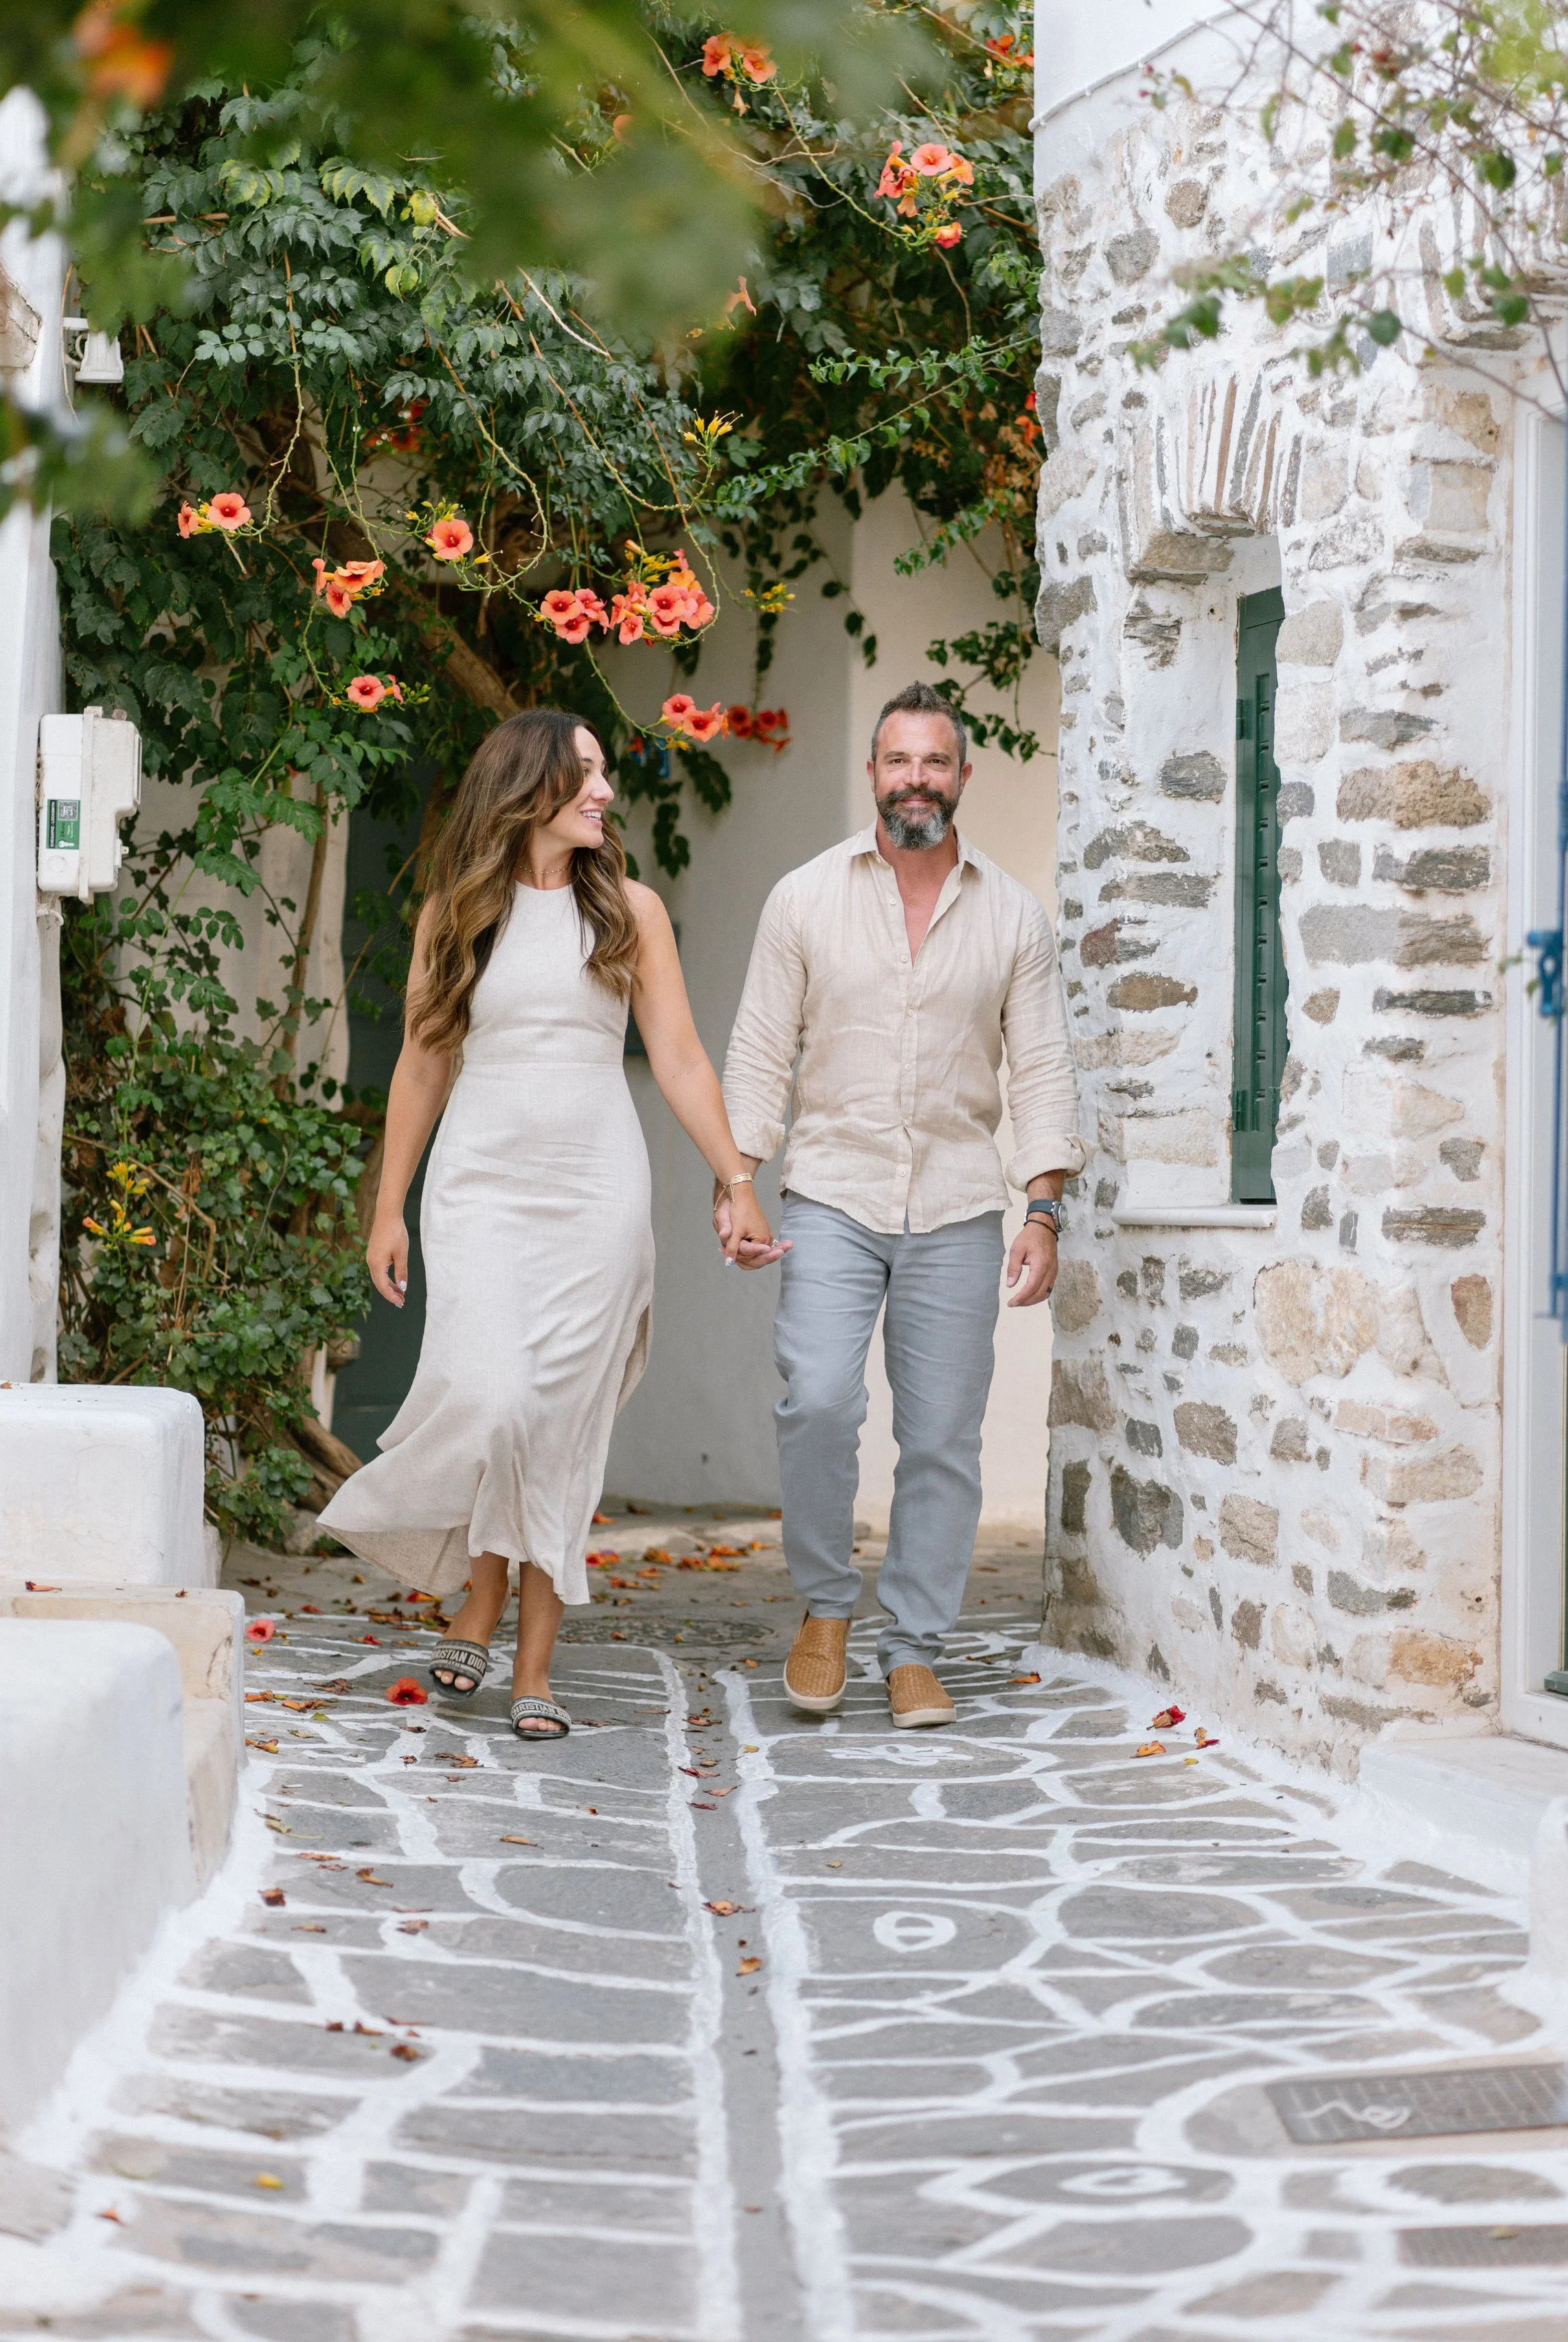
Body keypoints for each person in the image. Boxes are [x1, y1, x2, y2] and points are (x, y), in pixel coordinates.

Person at [321, 710, 783, 1739]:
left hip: (595, 1194)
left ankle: (530, 1667)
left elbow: (679, 1058)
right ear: (529, 786)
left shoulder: (631, 911)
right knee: (494, 1396)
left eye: (605, 776)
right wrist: (388, 1204)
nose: (605, 793)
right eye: (586, 774)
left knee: (562, 1426)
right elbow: (424, 1061)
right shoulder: (454, 913)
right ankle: (477, 1595)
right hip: (480, 1184)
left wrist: (737, 1179)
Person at [717, 682, 1085, 1729]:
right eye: (898, 761)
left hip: (963, 1206)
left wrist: (1043, 1209)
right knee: (820, 1401)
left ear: (963, 777)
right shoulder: (804, 900)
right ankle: (827, 1613)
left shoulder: (1013, 915)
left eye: (935, 762)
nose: (915, 779)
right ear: (871, 774)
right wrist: (737, 1180)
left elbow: (1044, 1071)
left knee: (941, 1438)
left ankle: (915, 1646)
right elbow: (757, 1051)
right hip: (831, 1193)